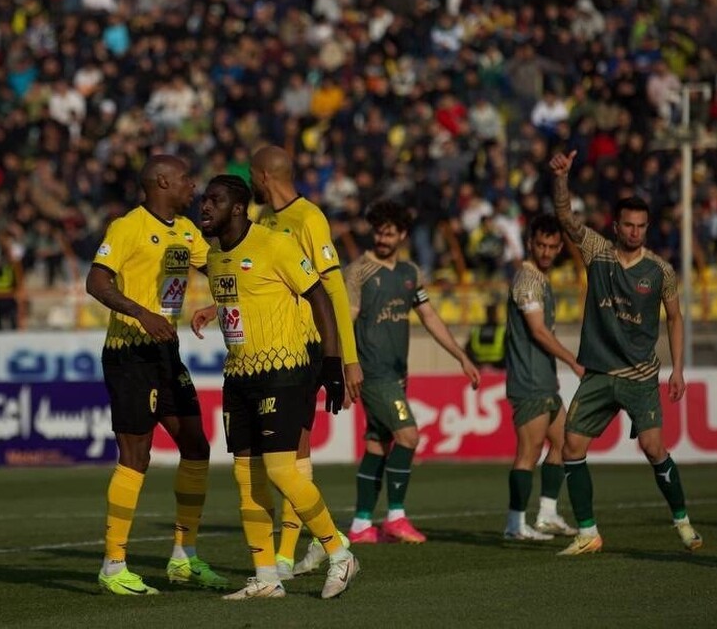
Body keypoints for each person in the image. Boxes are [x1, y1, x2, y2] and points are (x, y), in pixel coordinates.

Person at [198, 174, 359, 600]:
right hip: (238, 375)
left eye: (213, 201)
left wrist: (331, 361)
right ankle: (266, 577)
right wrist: (212, 310)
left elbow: (320, 297)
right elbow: (244, 299)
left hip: (283, 370)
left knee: (281, 470)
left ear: (237, 208)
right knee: (245, 478)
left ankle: (339, 552)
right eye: (203, 200)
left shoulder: (275, 245)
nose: (204, 207)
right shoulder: (216, 257)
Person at [85, 155, 227, 596]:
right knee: (137, 455)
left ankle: (183, 557)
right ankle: (113, 564)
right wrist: (141, 313)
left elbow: (220, 267)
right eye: (187, 178)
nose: (193, 185)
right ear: (162, 181)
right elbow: (96, 281)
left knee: (196, 445)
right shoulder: (127, 227)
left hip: (167, 351)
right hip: (130, 353)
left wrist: (219, 303)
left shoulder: (187, 231)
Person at [549, 151, 701, 555]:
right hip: (599, 372)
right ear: (616, 226)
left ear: (647, 228)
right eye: (628, 225)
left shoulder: (661, 271)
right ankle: (588, 532)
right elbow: (566, 219)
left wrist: (678, 369)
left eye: (641, 226)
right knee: (572, 448)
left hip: (640, 376)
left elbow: (675, 317)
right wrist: (562, 179)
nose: (635, 232)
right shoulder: (597, 252)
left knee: (653, 448)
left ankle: (682, 521)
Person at [343, 201, 482, 545]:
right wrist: (344, 369)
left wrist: (460, 356)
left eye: (390, 232)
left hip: (397, 373)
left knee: (378, 443)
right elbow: (346, 321)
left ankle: (361, 525)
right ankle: (396, 518)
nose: (383, 237)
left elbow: (430, 317)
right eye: (378, 231)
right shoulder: (359, 271)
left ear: (403, 234)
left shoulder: (410, 274)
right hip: (373, 373)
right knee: (408, 436)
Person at [501, 215, 585, 541]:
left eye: (552, 246)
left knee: (565, 442)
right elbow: (537, 331)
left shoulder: (541, 278)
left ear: (560, 247)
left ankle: (547, 514)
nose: (547, 251)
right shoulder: (527, 280)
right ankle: (514, 524)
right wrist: (574, 362)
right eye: (541, 245)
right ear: (531, 242)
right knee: (529, 450)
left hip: (544, 379)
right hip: (529, 380)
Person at [467, 302, 507, 367]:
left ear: (486, 314)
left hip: (479, 364)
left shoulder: (477, 330)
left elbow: (468, 349)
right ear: (496, 314)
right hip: (499, 364)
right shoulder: (502, 330)